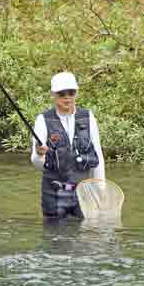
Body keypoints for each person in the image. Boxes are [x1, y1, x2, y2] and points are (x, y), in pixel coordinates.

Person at [31, 72, 105, 219]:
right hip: (53, 194)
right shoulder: (42, 120)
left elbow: (98, 156)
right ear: (53, 94)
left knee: (86, 238)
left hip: (83, 193)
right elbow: (37, 163)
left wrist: (100, 190)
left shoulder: (88, 117)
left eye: (71, 92)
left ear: (76, 93)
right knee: (54, 238)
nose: (67, 97)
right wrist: (40, 154)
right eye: (61, 93)